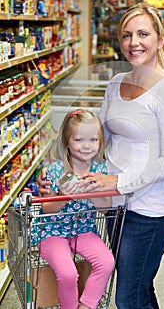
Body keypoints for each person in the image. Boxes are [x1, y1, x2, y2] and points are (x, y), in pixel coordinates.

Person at [39, 2, 164, 309]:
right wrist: (60, 170)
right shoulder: (117, 83)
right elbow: (99, 138)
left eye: (143, 34)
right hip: (112, 205)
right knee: (138, 288)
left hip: (148, 212)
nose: (134, 42)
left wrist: (117, 180)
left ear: (160, 40)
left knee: (128, 297)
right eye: (127, 35)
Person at [33, 109, 115, 309]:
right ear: (67, 142)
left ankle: (86, 305)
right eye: (79, 140)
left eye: (93, 140)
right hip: (51, 232)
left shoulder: (100, 171)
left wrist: (93, 192)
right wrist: (65, 194)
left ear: (100, 142)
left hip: (84, 230)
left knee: (107, 262)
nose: (86, 146)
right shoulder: (55, 170)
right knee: (68, 273)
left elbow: (105, 209)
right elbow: (47, 209)